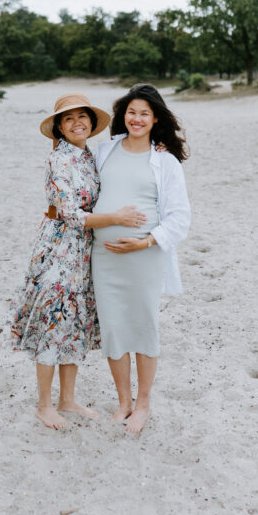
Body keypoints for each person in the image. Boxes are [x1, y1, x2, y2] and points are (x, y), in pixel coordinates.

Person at [10, 93, 146, 430]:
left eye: (82, 117)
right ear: (58, 127)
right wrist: (117, 217)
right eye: (68, 119)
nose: (77, 124)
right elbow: (71, 215)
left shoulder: (90, 156)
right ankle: (44, 405)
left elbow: (130, 148)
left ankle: (67, 399)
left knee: (74, 321)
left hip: (84, 249)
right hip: (58, 246)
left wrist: (156, 147)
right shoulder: (59, 160)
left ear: (91, 122)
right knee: (52, 321)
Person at [92, 84, 190, 434]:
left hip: (145, 257)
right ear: (123, 116)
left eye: (144, 113)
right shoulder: (105, 151)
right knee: (114, 328)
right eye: (131, 112)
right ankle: (124, 401)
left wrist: (145, 242)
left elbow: (180, 218)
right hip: (103, 257)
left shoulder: (165, 161)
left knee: (143, 326)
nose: (136, 118)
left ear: (155, 119)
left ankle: (144, 403)